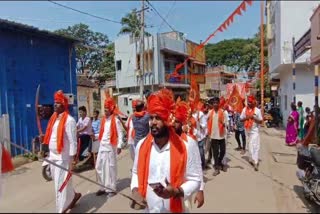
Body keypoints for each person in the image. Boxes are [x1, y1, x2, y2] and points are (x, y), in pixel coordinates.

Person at [130, 89, 202, 213]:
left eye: (158, 118)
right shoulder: (141, 146)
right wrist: (135, 190)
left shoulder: (185, 146)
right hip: (149, 209)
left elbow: (195, 178)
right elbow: (136, 172)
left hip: (175, 208)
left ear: (167, 120)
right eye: (151, 118)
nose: (152, 123)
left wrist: (176, 191)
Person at [42, 90, 81, 213]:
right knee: (60, 182)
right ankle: (73, 196)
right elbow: (52, 136)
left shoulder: (69, 121)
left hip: (63, 158)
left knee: (60, 185)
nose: (55, 105)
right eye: (54, 102)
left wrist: (73, 159)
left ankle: (61, 210)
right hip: (53, 156)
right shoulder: (54, 119)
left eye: (58, 103)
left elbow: (73, 141)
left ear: (64, 105)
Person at [173, 100, 205, 209]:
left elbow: (197, 165)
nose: (173, 124)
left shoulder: (189, 142)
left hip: (184, 190)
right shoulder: (163, 141)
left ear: (181, 123)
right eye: (171, 121)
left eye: (176, 121)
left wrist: (200, 190)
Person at [95, 96, 124, 197]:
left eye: (107, 110)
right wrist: (94, 136)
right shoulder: (103, 120)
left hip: (111, 147)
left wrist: (120, 145)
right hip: (102, 146)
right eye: (104, 110)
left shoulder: (115, 120)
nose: (105, 112)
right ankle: (103, 187)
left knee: (111, 168)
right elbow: (102, 133)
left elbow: (120, 134)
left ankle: (112, 189)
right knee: (99, 166)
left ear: (111, 110)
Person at [240, 95, 263, 171]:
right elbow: (241, 119)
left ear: (254, 102)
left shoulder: (257, 110)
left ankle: (255, 163)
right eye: (248, 102)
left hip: (255, 131)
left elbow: (260, 121)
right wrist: (248, 117)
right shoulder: (244, 109)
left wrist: (254, 118)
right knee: (250, 147)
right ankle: (251, 159)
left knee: (255, 145)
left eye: (250, 102)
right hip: (248, 131)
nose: (249, 104)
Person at [207, 97, 228, 176]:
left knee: (223, 151)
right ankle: (216, 168)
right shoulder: (210, 112)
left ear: (219, 103)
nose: (215, 104)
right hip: (213, 136)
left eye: (217, 103)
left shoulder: (223, 112)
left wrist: (223, 123)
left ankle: (219, 163)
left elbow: (227, 124)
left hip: (221, 135)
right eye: (214, 103)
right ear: (212, 104)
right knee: (215, 153)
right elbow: (205, 120)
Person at [191, 101, 207, 170]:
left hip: (200, 136)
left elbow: (204, 126)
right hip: (193, 136)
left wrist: (198, 122)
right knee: (194, 152)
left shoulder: (200, 114)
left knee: (201, 152)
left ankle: (203, 165)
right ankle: (196, 166)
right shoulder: (190, 114)